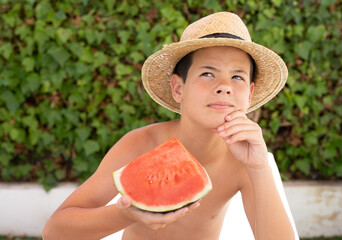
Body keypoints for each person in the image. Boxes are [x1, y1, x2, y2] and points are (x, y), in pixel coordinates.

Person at [43, 12, 297, 240]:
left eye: (237, 77)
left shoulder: (243, 161)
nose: (224, 86)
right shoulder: (141, 144)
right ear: (178, 88)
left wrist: (260, 167)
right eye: (208, 73)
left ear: (249, 95)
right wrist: (127, 215)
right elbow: (54, 232)